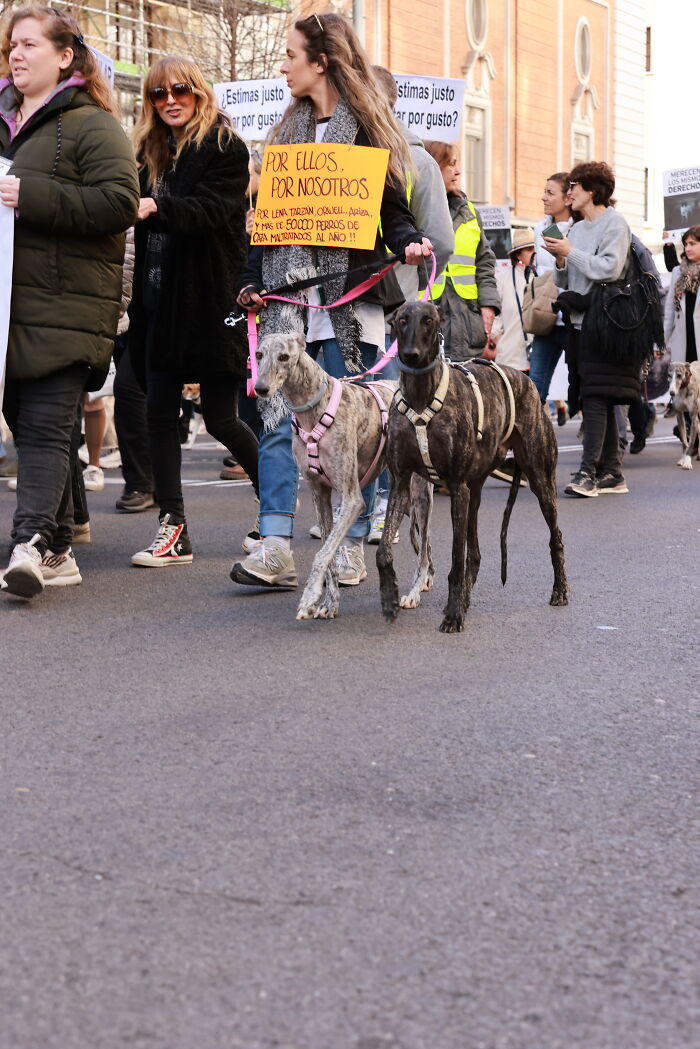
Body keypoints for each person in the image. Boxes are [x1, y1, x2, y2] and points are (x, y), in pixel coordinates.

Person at [230, 12, 432, 590]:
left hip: (349, 303)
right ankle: (274, 546)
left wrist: (407, 240)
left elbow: (391, 207)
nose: (284, 66)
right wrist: (249, 279)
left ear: (321, 61)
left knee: (352, 426)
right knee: (276, 420)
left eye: (291, 55)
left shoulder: (367, 132)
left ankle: (349, 540)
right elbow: (268, 225)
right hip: (286, 306)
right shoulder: (283, 137)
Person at [0, 4, 139, 599]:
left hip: (68, 304)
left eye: (30, 43)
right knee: (23, 425)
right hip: (9, 309)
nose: (16, 53)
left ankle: (29, 543)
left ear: (64, 56)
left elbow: (118, 204)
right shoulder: (1, 119)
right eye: (11, 44)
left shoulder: (92, 125)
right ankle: (57, 543)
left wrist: (31, 194)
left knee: (47, 429)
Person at [127, 55, 259, 567]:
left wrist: (159, 208)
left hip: (209, 301)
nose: (169, 102)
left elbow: (210, 210)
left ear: (199, 93)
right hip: (158, 304)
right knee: (157, 412)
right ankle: (173, 526)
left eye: (179, 90)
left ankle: (274, 507)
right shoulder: (146, 152)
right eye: (158, 95)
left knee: (223, 418)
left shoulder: (226, 147)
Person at [546, 161, 632, 498]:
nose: (569, 193)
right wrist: (560, 259)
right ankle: (612, 472)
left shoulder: (615, 224)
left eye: (574, 187)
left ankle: (587, 473)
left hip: (607, 323)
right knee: (599, 395)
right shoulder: (576, 229)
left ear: (592, 190)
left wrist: (571, 253)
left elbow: (610, 268)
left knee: (596, 396)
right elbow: (564, 279)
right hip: (579, 324)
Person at [423, 140, 500, 362]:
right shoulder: (412, 208)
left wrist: (488, 306)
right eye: (451, 164)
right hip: (426, 322)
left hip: (467, 323)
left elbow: (485, 262)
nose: (458, 172)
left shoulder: (470, 212)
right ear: (433, 166)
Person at [530, 172, 574, 421]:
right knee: (535, 385)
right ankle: (531, 446)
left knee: (581, 381)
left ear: (568, 198)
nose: (543, 197)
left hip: (574, 318)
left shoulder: (580, 229)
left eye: (550, 192)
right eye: (544, 192)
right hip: (546, 318)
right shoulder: (540, 227)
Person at [664, 225, 700, 455]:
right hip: (683, 340)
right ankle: (693, 438)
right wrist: (662, 340)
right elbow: (671, 308)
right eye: (685, 244)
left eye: (693, 243)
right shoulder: (679, 272)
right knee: (685, 388)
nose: (687, 248)